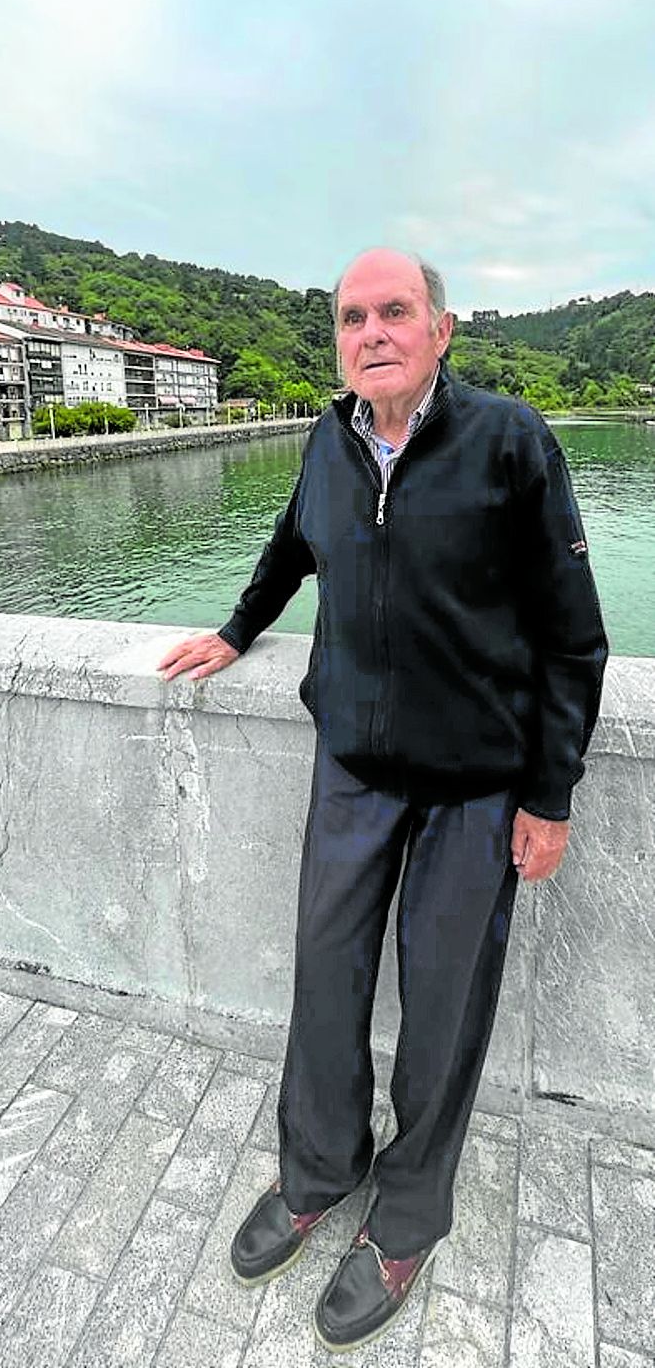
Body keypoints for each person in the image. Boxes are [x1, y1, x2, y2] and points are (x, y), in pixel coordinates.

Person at [157, 248, 608, 1354]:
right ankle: (319, 1168)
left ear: (441, 329)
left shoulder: (511, 442)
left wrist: (547, 797)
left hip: (474, 783)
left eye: (393, 311)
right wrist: (236, 629)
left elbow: (573, 635)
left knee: (444, 1011)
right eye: (353, 317)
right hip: (353, 765)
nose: (372, 332)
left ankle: (405, 1219)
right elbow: (289, 549)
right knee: (326, 978)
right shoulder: (329, 439)